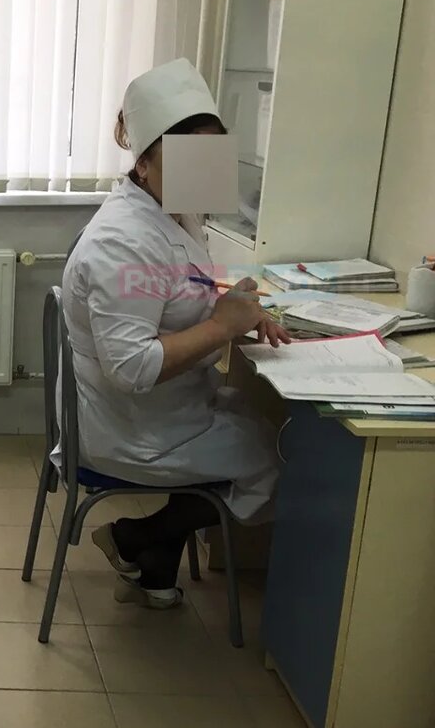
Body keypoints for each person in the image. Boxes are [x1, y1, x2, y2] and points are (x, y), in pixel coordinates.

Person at [58, 58, 288, 609]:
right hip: (134, 427)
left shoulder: (172, 213)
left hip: (168, 409)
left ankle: (153, 552)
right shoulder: (123, 242)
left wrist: (234, 307)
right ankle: (139, 536)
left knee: (259, 428)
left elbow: (174, 291)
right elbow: (131, 367)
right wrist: (221, 325)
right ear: (143, 163)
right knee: (278, 464)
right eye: (188, 159)